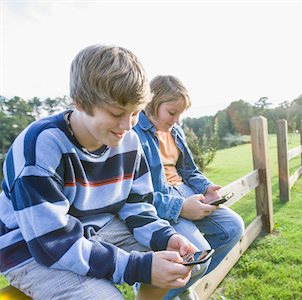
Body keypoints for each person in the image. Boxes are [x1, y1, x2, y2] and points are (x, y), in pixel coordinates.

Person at [0, 45, 198, 300]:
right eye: (117, 113)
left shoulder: (128, 140)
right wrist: (138, 266)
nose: (127, 126)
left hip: (98, 225)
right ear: (80, 102)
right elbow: (52, 244)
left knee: (177, 263)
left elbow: (137, 206)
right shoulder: (40, 146)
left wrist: (164, 237)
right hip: (31, 248)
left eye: (136, 113)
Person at [133, 75, 245, 299]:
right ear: (152, 103)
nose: (176, 119)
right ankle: (152, 292)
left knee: (234, 227)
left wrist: (207, 188)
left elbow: (189, 170)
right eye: (172, 112)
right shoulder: (134, 134)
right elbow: (138, 194)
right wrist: (181, 208)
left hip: (186, 191)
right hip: (164, 201)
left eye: (180, 114)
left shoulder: (175, 130)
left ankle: (177, 286)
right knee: (197, 257)